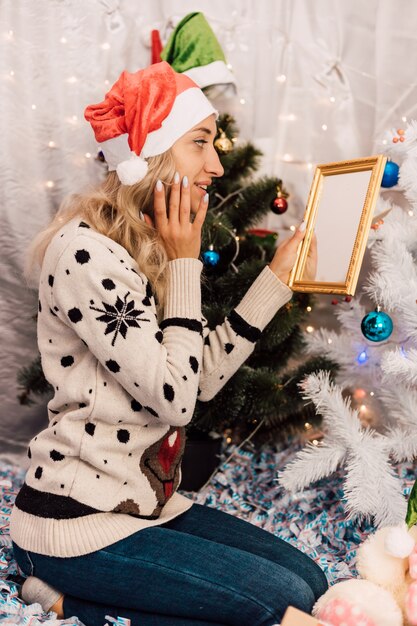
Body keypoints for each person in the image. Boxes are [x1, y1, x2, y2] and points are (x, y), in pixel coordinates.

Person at [10, 61, 323, 626]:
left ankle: (71, 601)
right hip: (73, 525)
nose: (217, 165)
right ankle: (67, 600)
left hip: (145, 507)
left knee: (312, 584)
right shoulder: (85, 255)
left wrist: (276, 282)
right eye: (199, 143)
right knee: (283, 606)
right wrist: (184, 263)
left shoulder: (147, 243)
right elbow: (174, 400)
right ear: (152, 153)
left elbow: (194, 378)